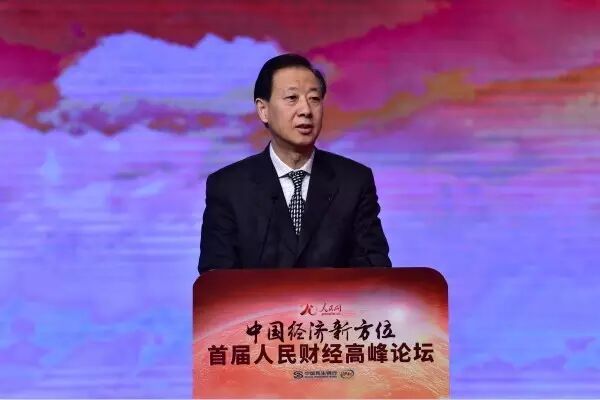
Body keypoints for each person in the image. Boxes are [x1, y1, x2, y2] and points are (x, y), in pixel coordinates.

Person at [198, 54, 391, 272]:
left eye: (314, 99)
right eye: (292, 98)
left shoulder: (354, 182)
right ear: (263, 110)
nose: (306, 110)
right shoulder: (228, 187)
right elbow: (217, 282)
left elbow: (375, 273)